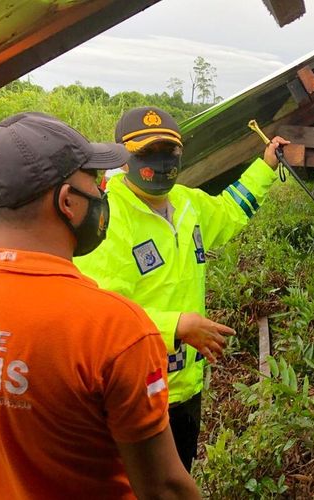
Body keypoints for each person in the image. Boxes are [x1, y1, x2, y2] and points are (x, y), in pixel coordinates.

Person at [0, 112, 200, 499]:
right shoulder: (115, 330)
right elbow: (164, 488)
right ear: (68, 202)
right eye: (96, 181)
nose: (104, 191)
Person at [75, 106, 290, 470]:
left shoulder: (188, 203)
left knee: (179, 471)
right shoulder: (108, 218)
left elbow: (229, 209)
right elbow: (98, 314)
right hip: (131, 394)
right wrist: (175, 327)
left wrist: (266, 165)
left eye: (169, 152)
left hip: (184, 389)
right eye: (146, 153)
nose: (160, 163)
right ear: (123, 158)